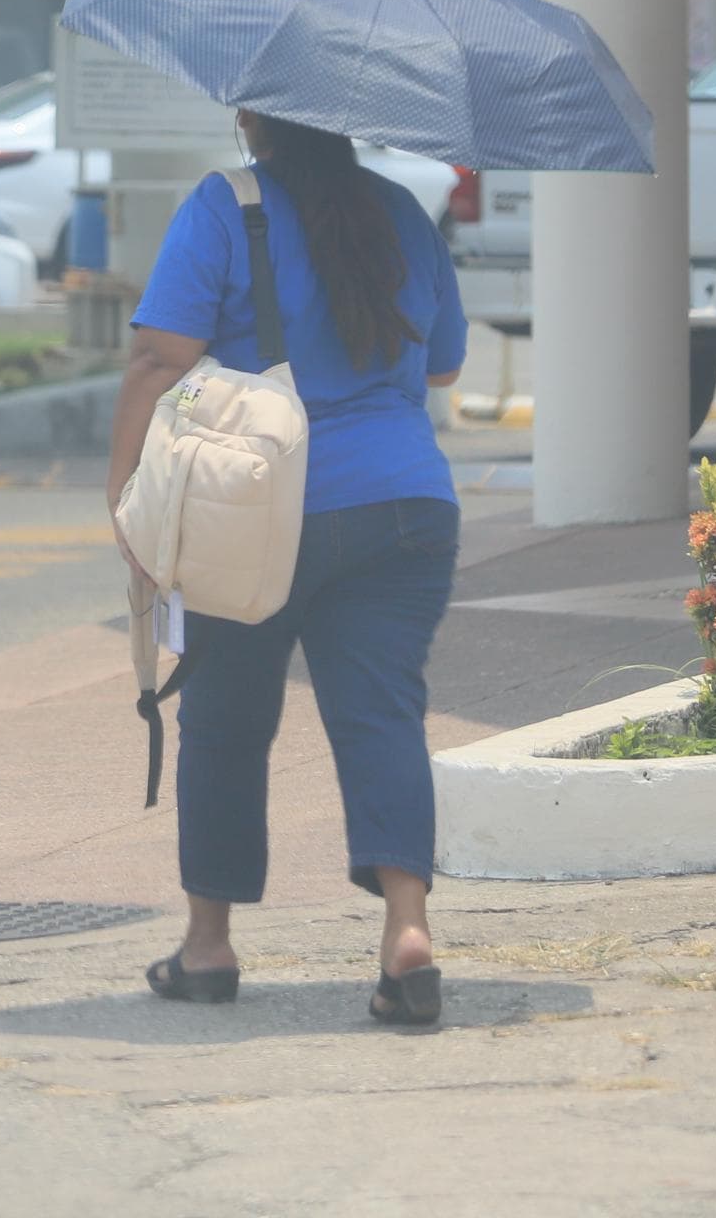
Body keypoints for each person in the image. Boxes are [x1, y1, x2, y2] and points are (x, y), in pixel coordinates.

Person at [106, 112, 466, 1027]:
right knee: (383, 714)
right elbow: (443, 366)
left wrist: (124, 494)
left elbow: (156, 358)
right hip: (406, 504)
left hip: (256, 511)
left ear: (250, 119)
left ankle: (208, 947)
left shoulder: (226, 208)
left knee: (224, 722)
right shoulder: (403, 213)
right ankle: (407, 931)